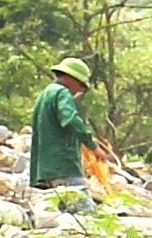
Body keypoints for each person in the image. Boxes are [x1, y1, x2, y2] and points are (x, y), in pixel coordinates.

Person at [29, 58, 102, 192]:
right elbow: (71, 119)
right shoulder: (62, 93)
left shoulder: (45, 94)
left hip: (45, 170)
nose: (80, 90)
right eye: (81, 85)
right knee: (84, 209)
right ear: (70, 78)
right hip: (64, 167)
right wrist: (93, 146)